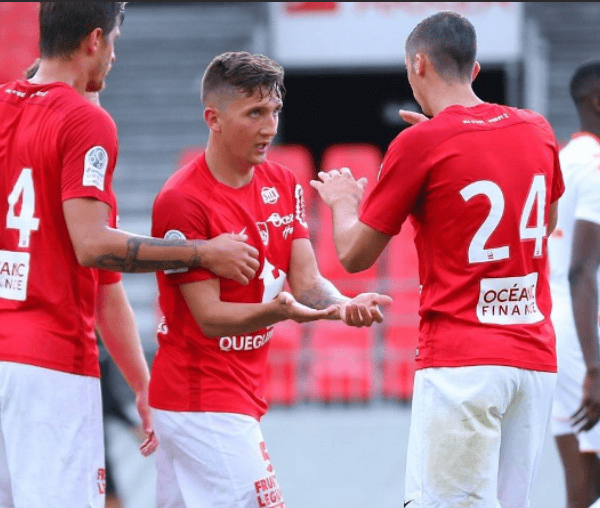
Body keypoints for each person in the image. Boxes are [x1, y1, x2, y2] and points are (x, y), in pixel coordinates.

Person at [0, 4, 260, 507]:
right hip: (50, 366)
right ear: (94, 39)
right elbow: (94, 247)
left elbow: (103, 286)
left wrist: (143, 385)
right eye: (114, 41)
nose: (115, 56)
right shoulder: (84, 122)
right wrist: (201, 253)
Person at [311, 11, 564, 508]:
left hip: (462, 362)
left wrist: (342, 202)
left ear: (418, 64)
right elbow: (545, 221)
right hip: (534, 361)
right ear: (474, 70)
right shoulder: (537, 128)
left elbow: (354, 255)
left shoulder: (420, 143)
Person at [148, 50, 392, 508]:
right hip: (199, 399)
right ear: (213, 119)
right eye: (255, 113)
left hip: (234, 395)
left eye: (275, 111)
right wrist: (277, 313)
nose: (270, 127)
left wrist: (341, 305)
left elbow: (308, 283)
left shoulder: (282, 182)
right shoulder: (182, 200)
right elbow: (209, 318)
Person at [548, 61, 600, 508]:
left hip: (555, 326)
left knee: (581, 484)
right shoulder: (596, 167)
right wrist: (595, 370)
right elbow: (581, 270)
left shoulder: (560, 162)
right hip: (585, 335)